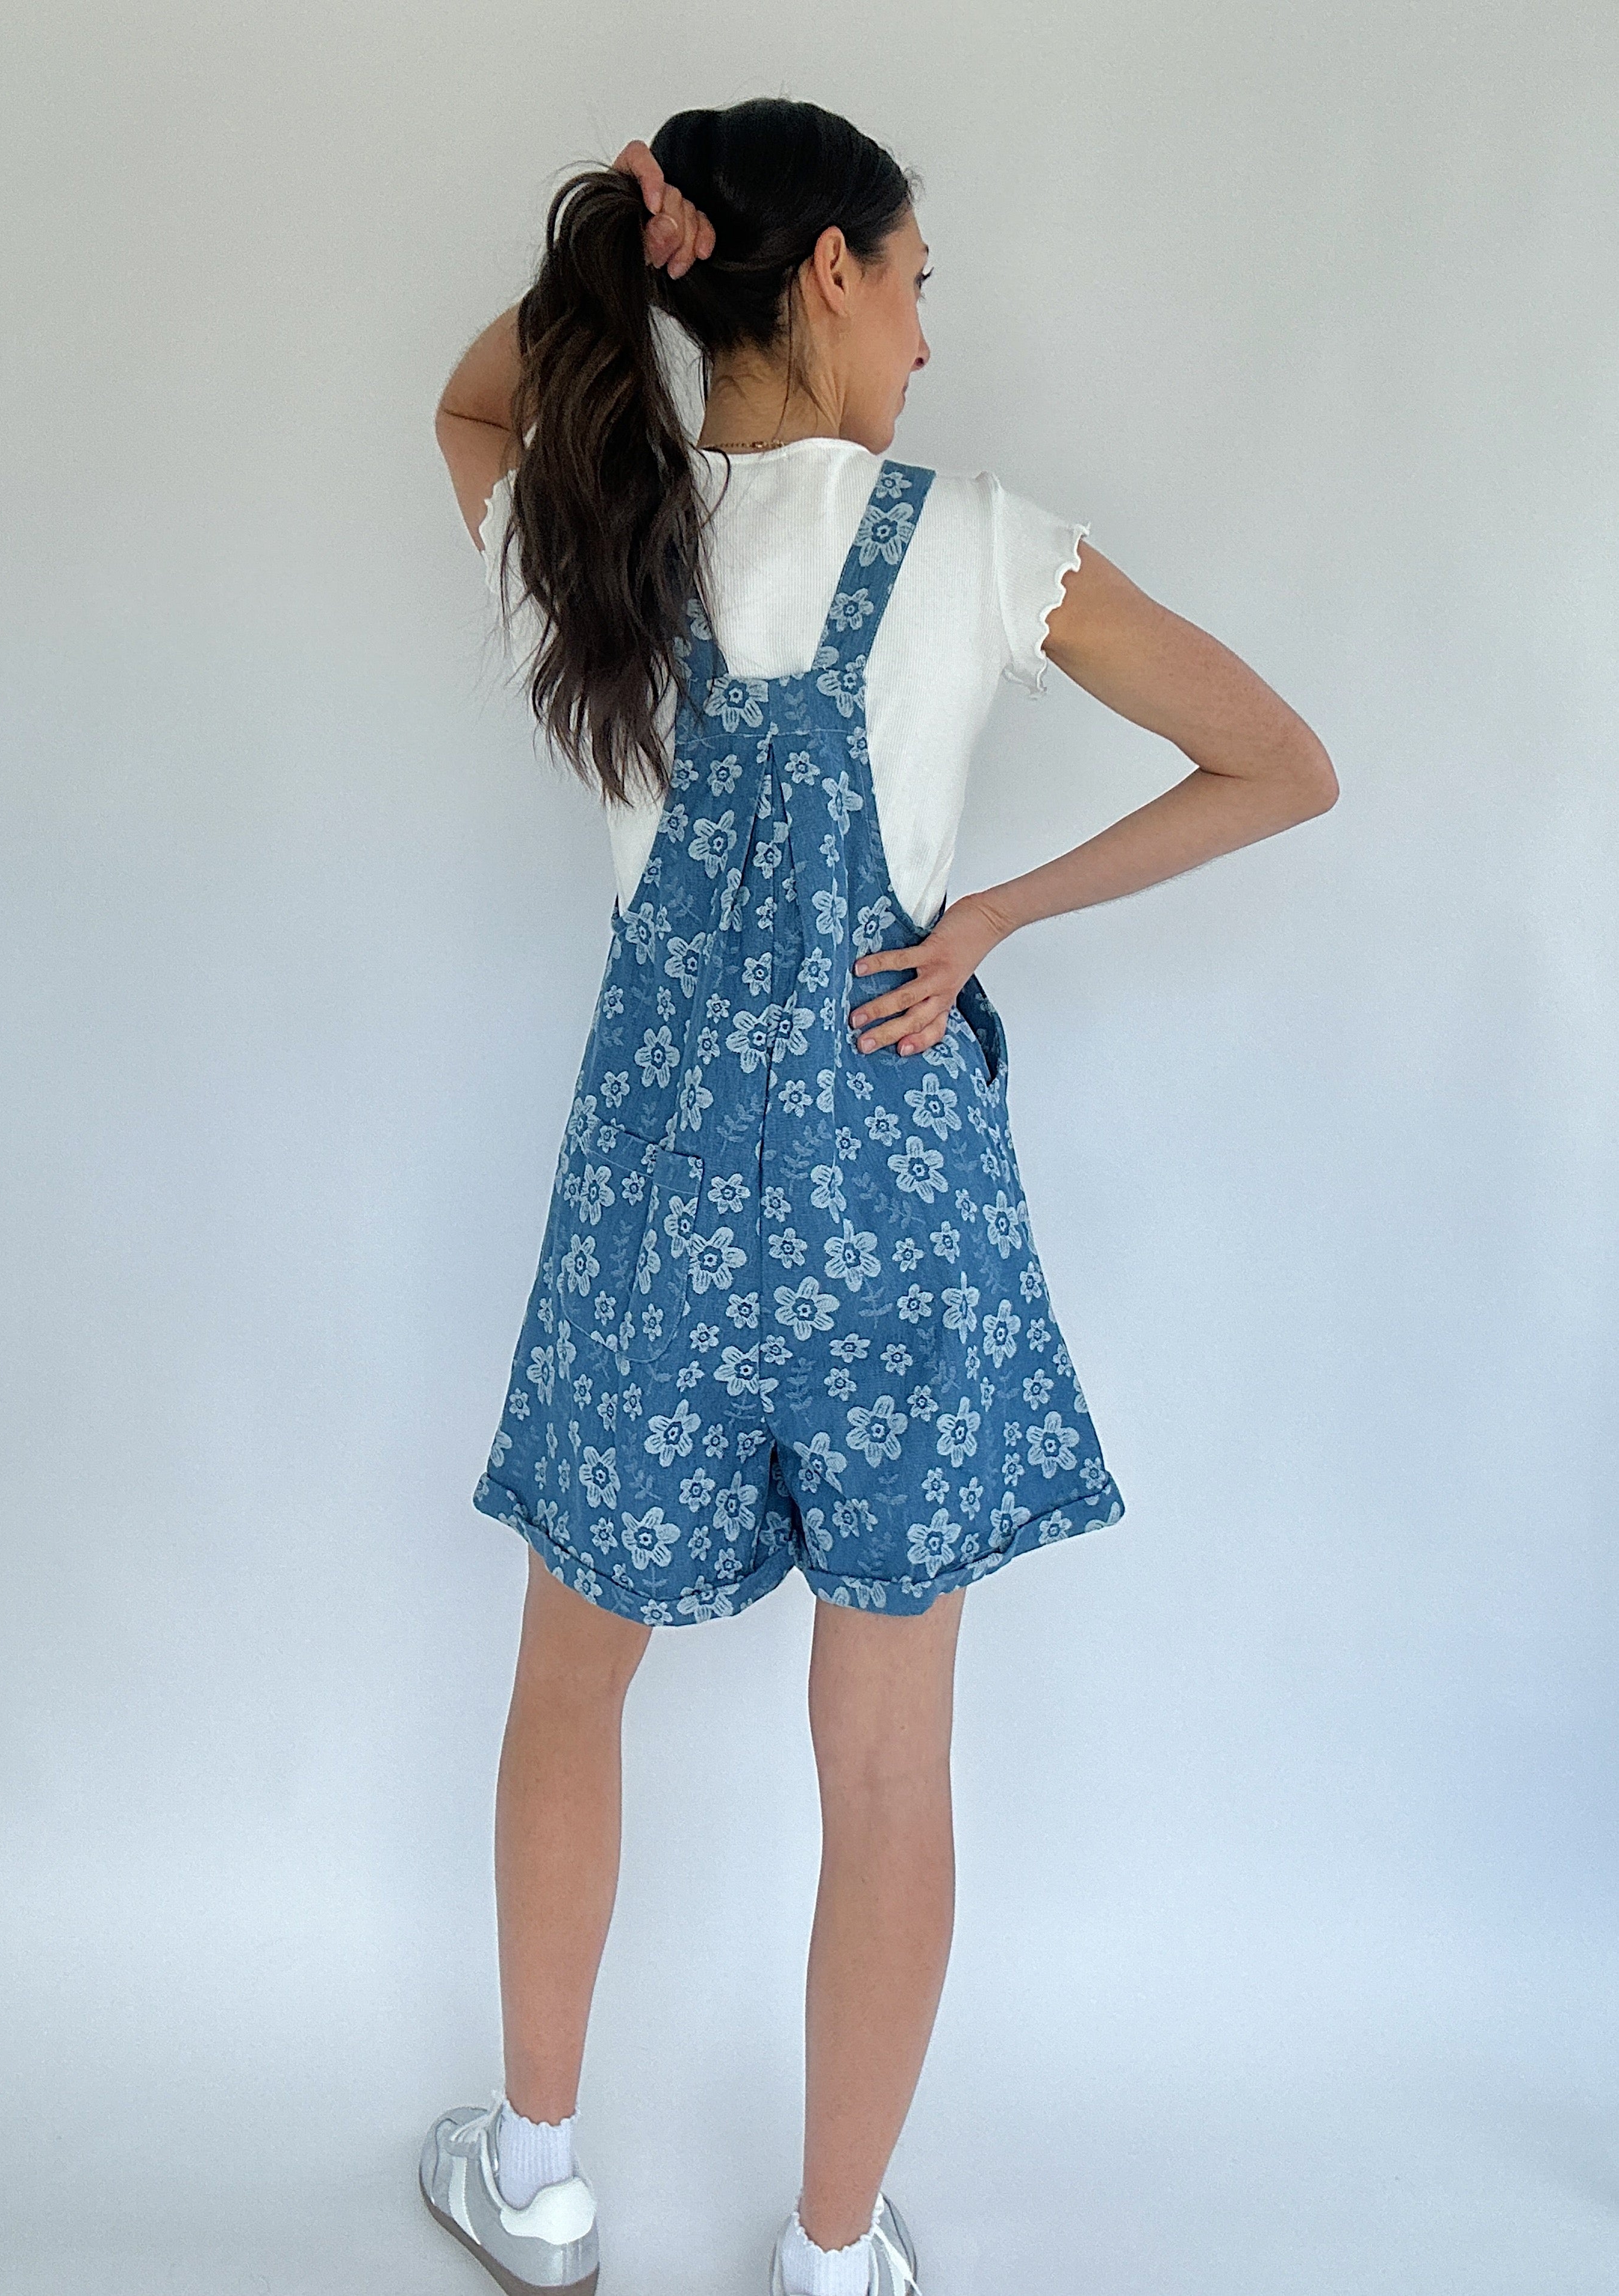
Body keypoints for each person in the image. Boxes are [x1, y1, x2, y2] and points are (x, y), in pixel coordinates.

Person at [420, 96, 1337, 2296]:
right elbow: (1278, 762)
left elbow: (463, 402)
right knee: (891, 1769)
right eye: (912, 283)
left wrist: (617, 250)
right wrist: (989, 912)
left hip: (653, 1209)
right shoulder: (982, 543)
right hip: (893, 1205)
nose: (923, 339)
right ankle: (832, 2254)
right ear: (824, 271)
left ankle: (534, 2182)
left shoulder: (598, 537)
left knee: (569, 1688)